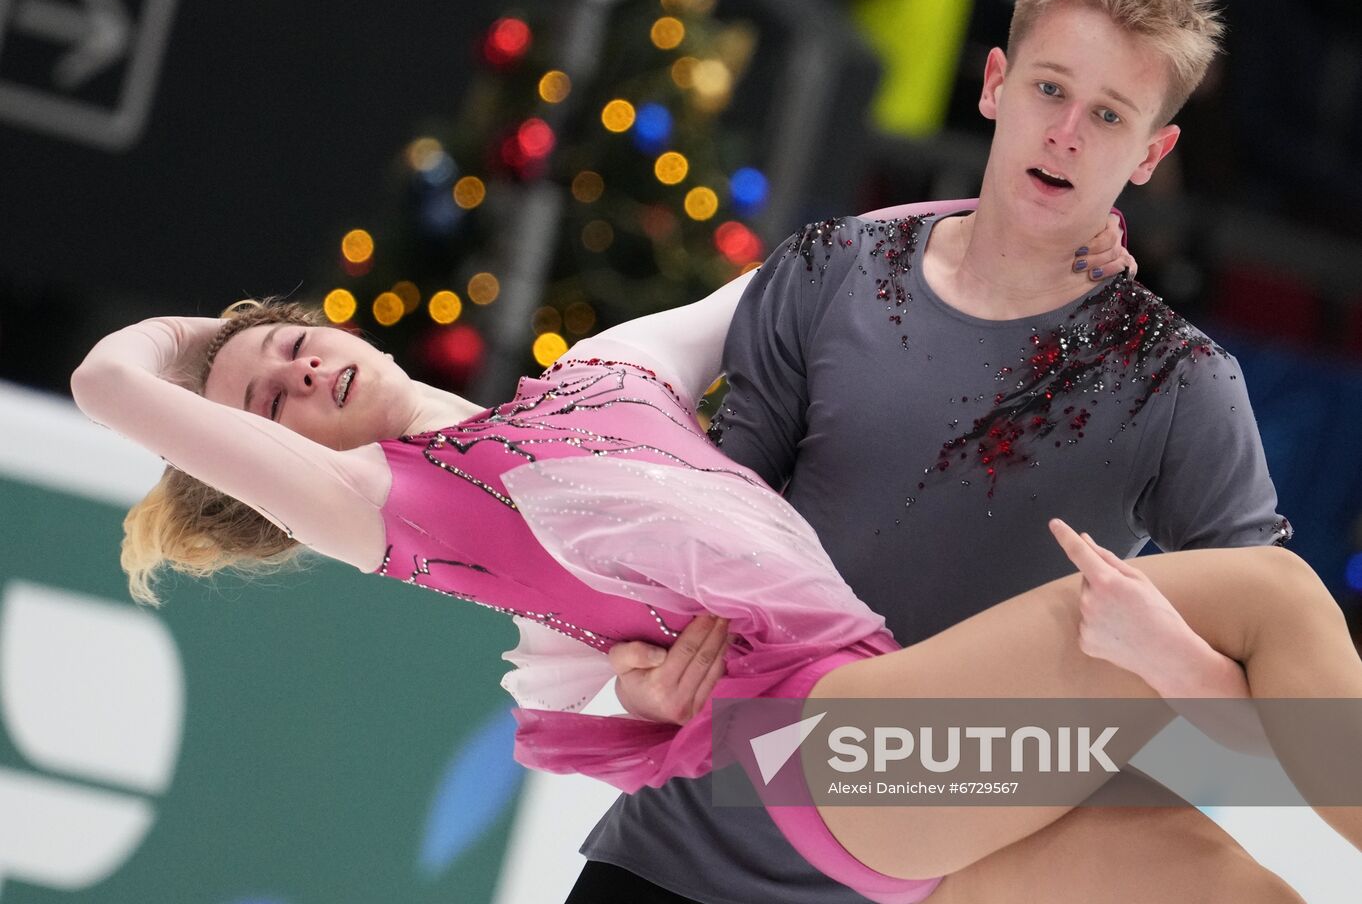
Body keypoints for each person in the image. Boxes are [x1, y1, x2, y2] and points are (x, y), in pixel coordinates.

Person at [72, 274, 1361, 904]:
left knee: (1244, 874)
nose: (298, 374)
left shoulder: (601, 373)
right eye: (267, 402)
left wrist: (1035, 247)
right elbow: (104, 387)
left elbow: (823, 267)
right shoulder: (389, 506)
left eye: (293, 344)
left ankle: (1242, 748)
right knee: (1274, 600)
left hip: (873, 793)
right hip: (852, 754)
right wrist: (206, 351)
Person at [568, 0, 1309, 904]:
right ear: (995, 82)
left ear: (1151, 152)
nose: (1066, 133)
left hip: (900, 885)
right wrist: (640, 685)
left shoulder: (1178, 384)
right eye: (1050, 89)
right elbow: (706, 548)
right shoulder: (833, 270)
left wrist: (1171, 662)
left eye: (1109, 113)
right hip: (672, 851)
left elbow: (1277, 711)